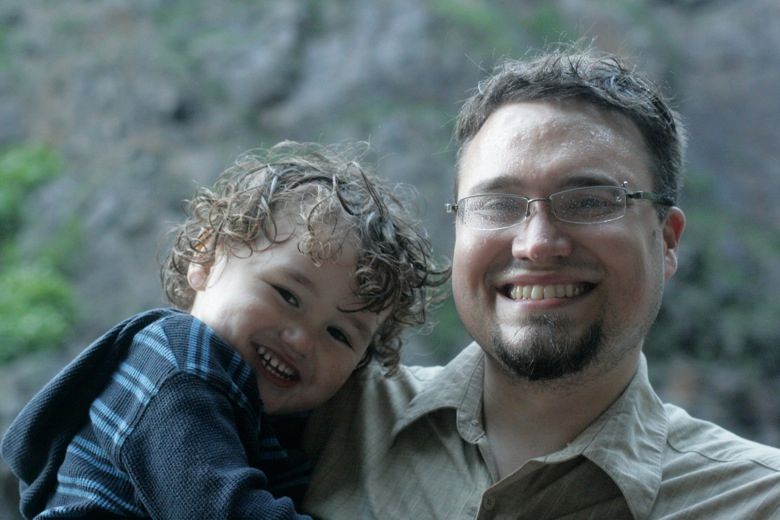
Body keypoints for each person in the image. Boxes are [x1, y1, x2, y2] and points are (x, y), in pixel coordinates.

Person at [299, 48, 780, 518]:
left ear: (667, 242)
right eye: (498, 205)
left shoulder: (757, 502)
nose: (537, 244)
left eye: (590, 201)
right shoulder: (328, 411)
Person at [0, 141, 449, 519]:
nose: (301, 339)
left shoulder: (296, 426)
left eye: (339, 335)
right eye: (286, 295)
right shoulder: (174, 364)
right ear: (205, 260)